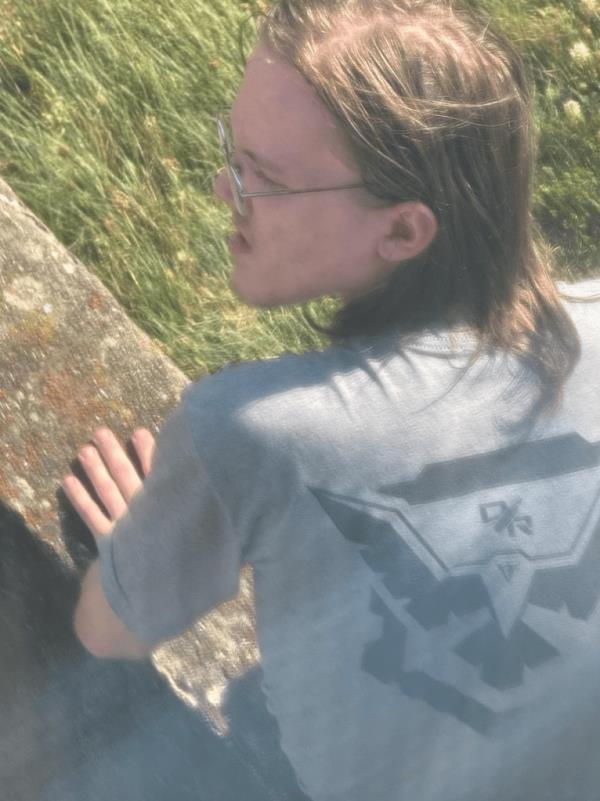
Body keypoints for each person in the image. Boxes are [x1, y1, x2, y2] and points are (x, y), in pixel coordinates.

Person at [62, 1, 600, 799]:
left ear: (404, 232)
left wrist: (143, 549)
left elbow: (104, 633)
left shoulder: (246, 428)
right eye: (230, 150)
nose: (223, 187)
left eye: (262, 176)